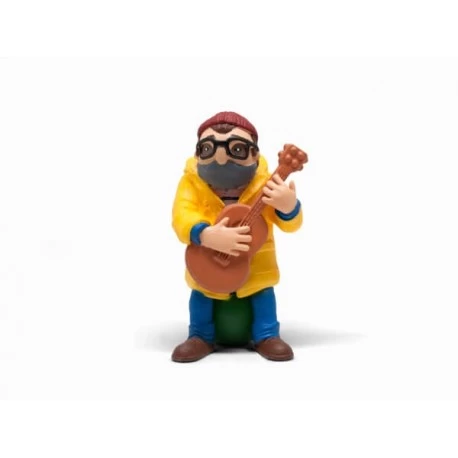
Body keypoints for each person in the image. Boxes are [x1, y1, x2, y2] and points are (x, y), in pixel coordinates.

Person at [171, 111, 303, 362]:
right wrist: (204, 234)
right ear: (197, 154)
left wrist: (288, 207)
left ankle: (266, 334)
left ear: (255, 154)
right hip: (208, 259)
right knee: (202, 292)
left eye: (237, 149)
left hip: (257, 264)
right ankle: (200, 335)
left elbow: (291, 225)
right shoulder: (191, 183)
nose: (221, 157)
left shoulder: (266, 184)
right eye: (208, 148)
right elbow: (181, 214)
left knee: (262, 292)